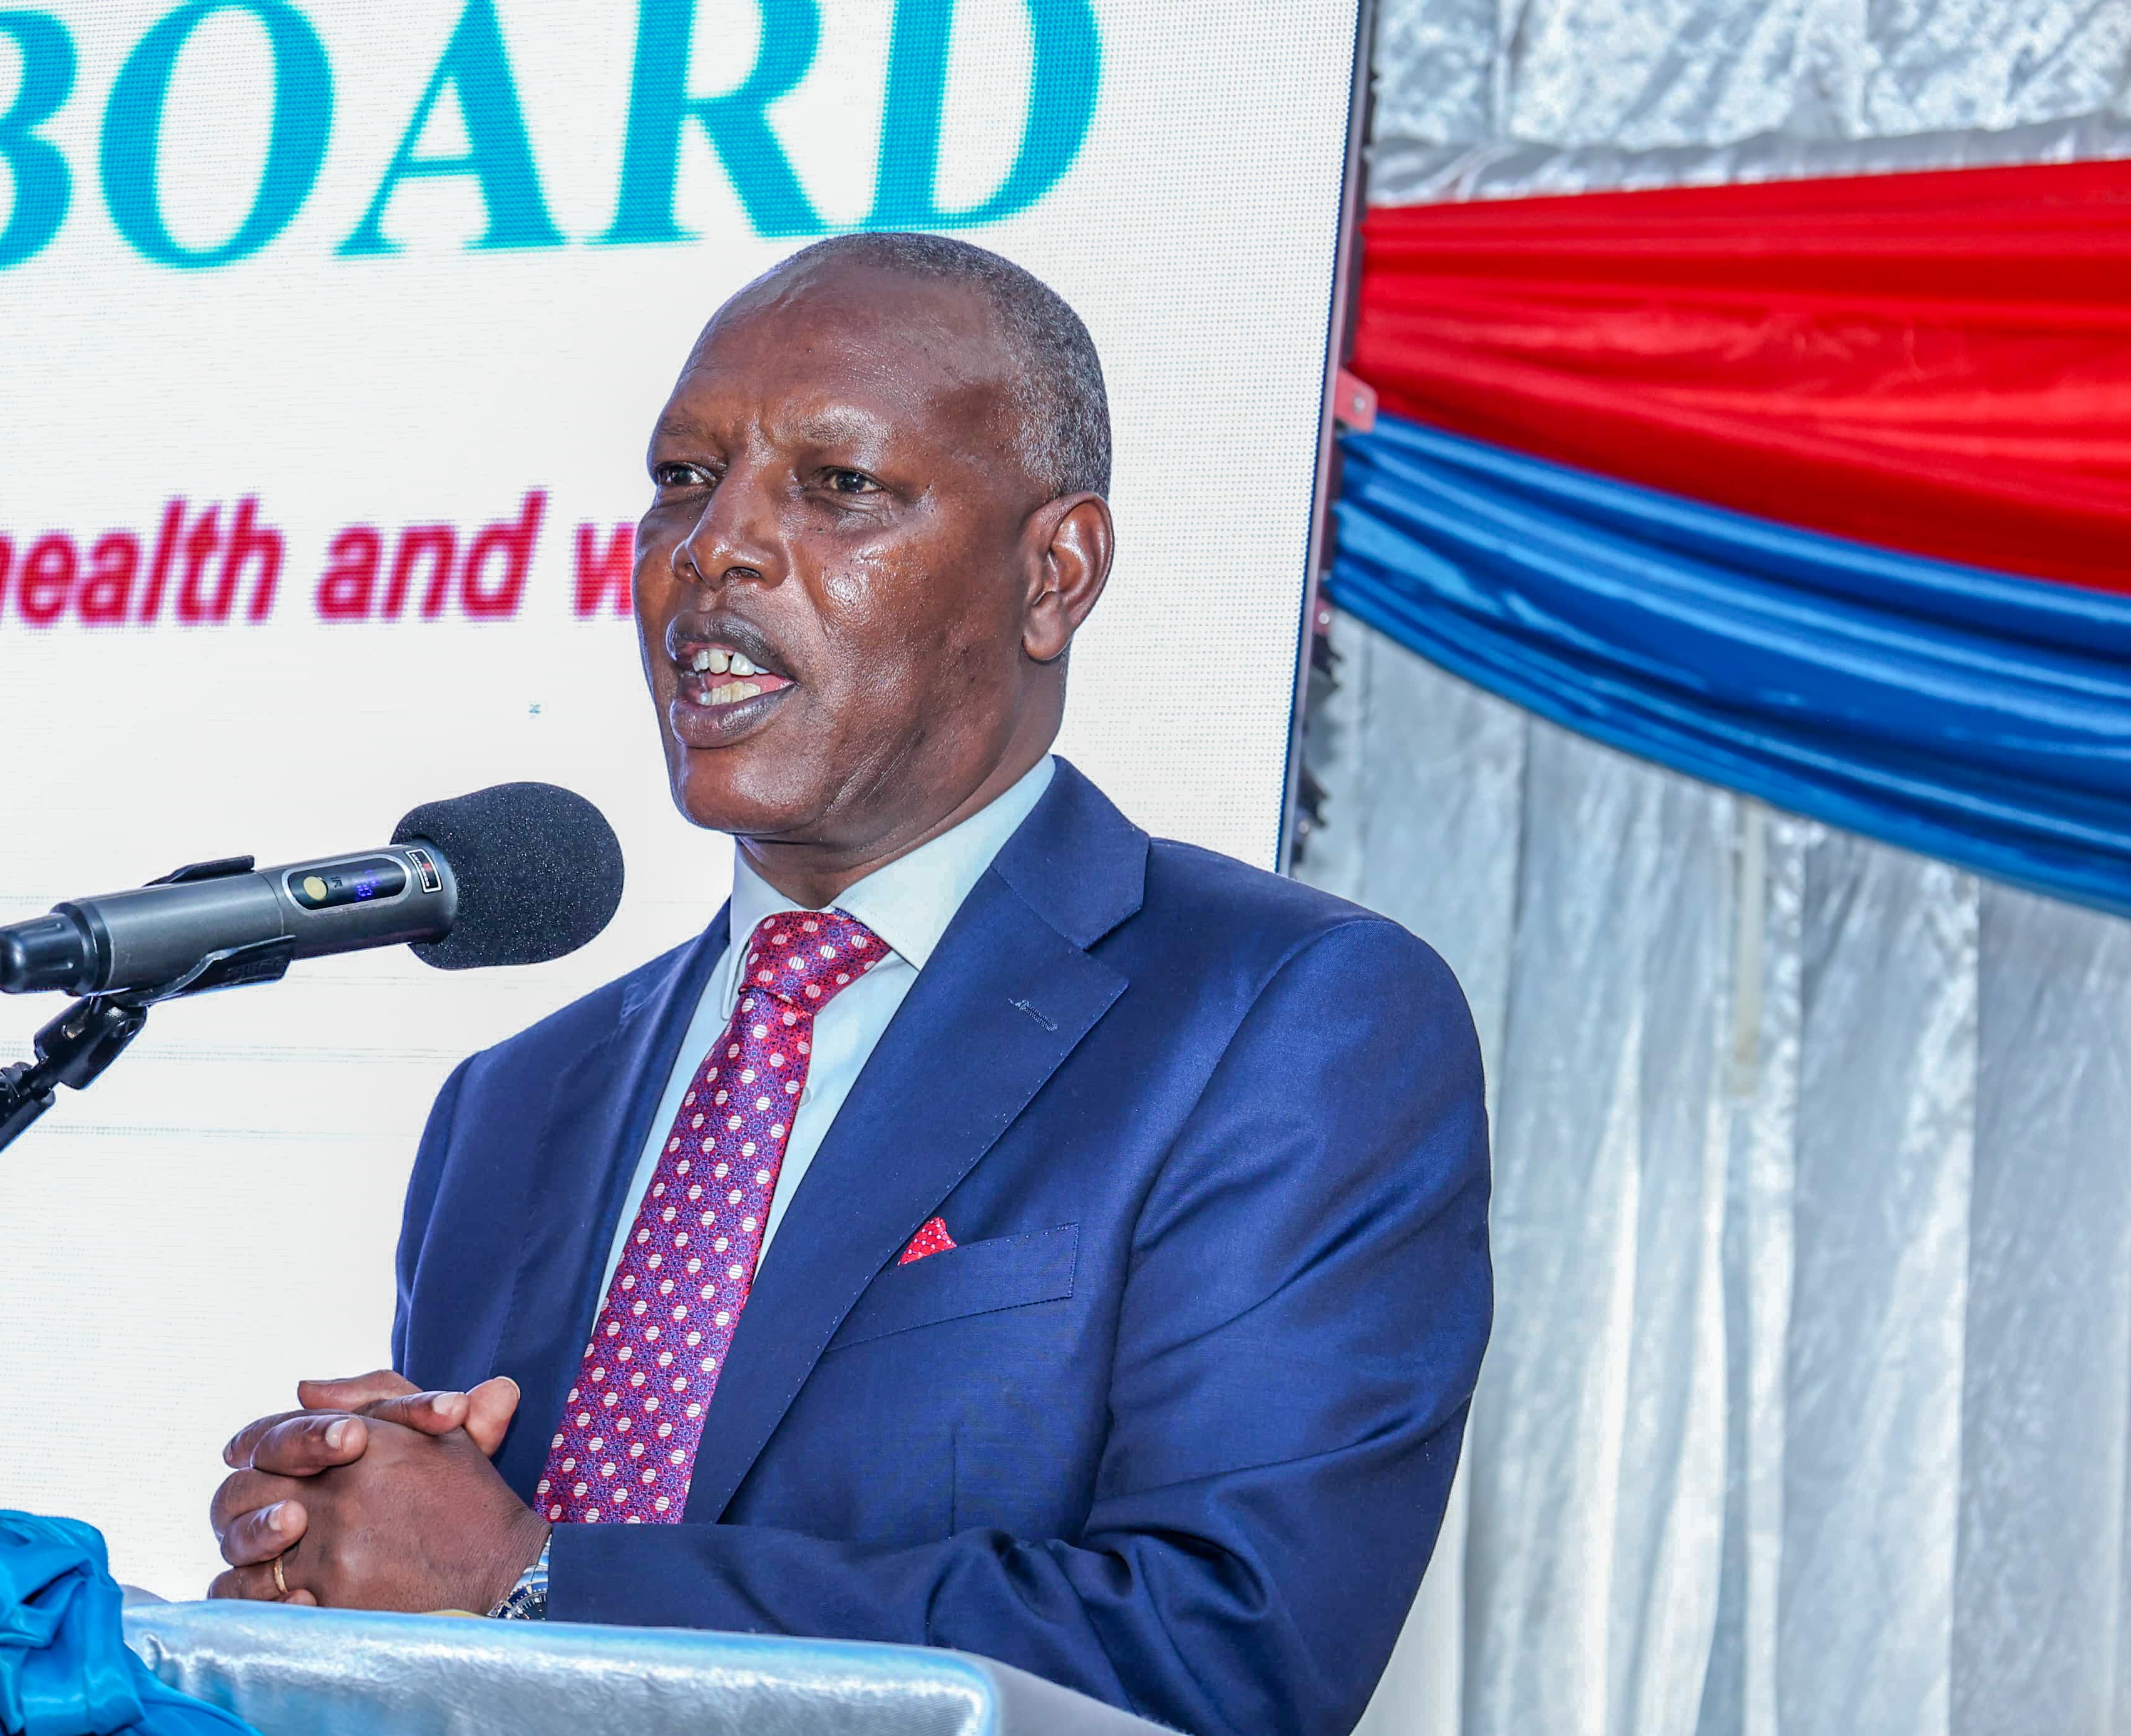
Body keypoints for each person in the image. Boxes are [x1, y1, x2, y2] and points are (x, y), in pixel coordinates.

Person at [204, 232, 1491, 1736]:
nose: (716, 550)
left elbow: (1225, 1657)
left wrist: (541, 1584)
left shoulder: (1279, 1018)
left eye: (838, 488)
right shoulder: (512, 1105)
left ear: (1053, 573)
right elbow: (458, 1631)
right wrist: (340, 1571)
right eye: (683, 480)